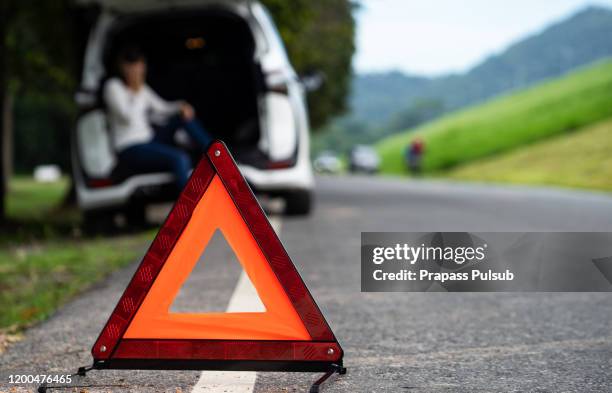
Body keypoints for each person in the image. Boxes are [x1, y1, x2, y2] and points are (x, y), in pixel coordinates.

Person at [103, 45, 212, 190]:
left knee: (183, 118)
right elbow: (126, 116)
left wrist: (181, 106)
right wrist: (135, 90)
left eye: (140, 66)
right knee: (179, 157)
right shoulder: (113, 87)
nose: (137, 70)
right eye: (133, 66)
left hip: (149, 140)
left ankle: (216, 154)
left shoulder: (142, 88)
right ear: (123, 67)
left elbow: (162, 108)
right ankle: (190, 208)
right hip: (130, 148)